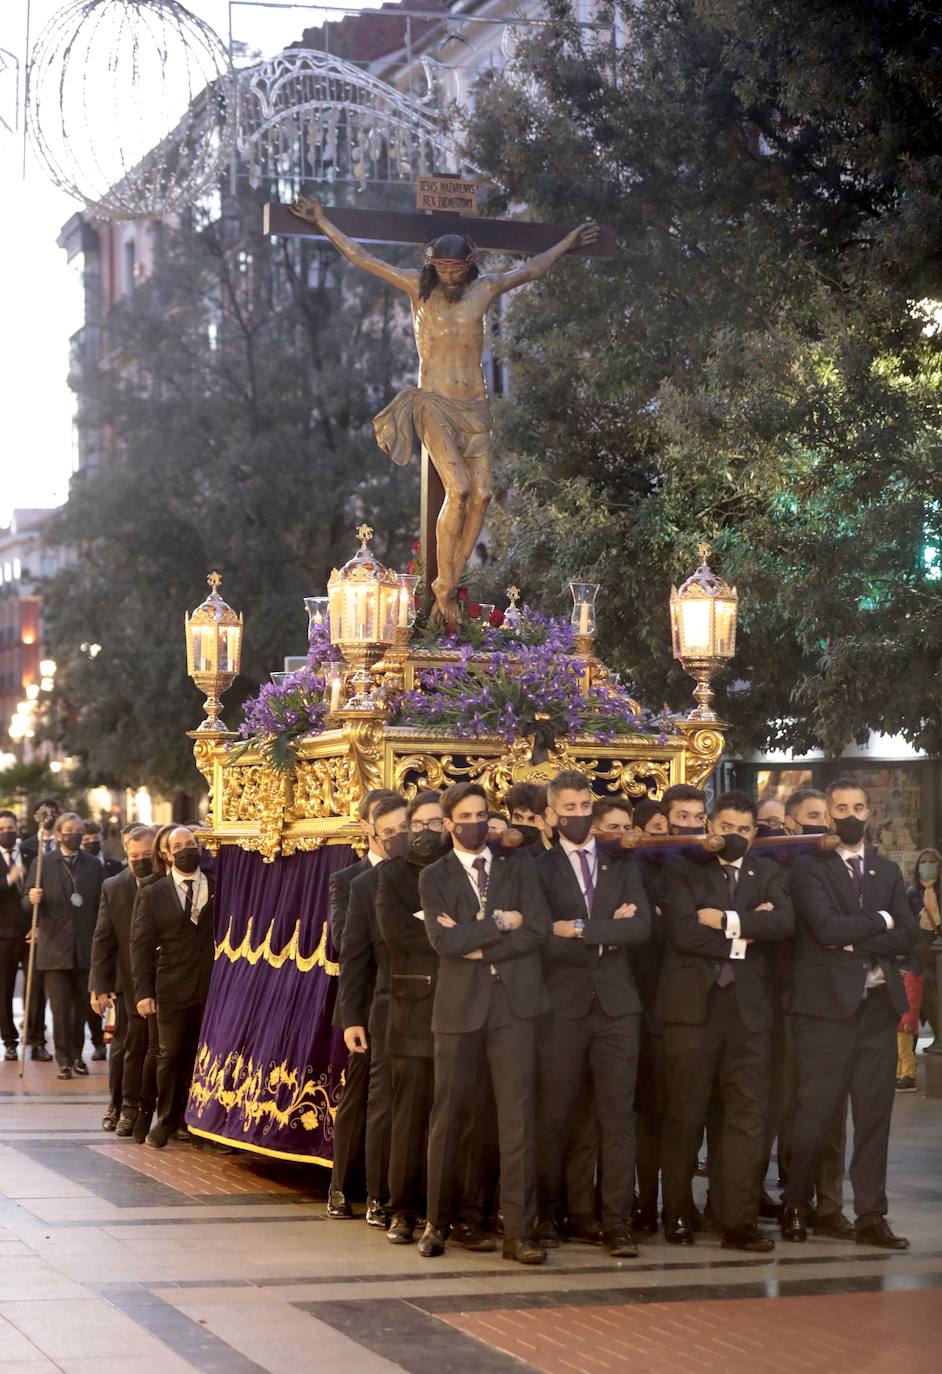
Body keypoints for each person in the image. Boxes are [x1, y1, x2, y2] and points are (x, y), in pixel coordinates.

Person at [290, 196, 598, 623]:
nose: (449, 276)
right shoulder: (418, 290)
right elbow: (363, 257)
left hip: (475, 405)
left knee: (484, 494)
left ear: (469, 265)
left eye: (456, 270)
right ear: (431, 265)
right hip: (433, 402)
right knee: (459, 489)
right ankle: (443, 588)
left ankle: (448, 587)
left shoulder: (485, 289)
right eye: (442, 269)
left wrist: (565, 243)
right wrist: (322, 221)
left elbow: (530, 269)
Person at [418, 782, 550, 1264]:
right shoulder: (434, 876)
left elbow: (536, 929)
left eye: (482, 814)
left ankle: (519, 1232)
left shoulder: (519, 867)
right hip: (458, 1009)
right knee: (448, 1117)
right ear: (449, 823)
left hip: (513, 1005)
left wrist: (477, 940)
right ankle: (437, 1223)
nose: (476, 823)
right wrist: (498, 923)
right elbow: (443, 941)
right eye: (466, 816)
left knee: (516, 1118)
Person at [658, 790, 794, 1252]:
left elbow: (784, 924)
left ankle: (736, 1220)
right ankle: (676, 1212)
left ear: (754, 834)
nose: (733, 836)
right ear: (710, 828)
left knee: (745, 1118)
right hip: (691, 1010)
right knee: (685, 1115)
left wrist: (728, 922)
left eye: (743, 829)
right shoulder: (682, 868)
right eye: (725, 828)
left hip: (748, 1012)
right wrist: (750, 927)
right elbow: (682, 931)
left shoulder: (767, 871)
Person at [782, 779, 915, 1249]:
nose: (851, 815)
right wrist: (881, 922)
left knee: (875, 1117)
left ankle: (871, 1216)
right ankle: (797, 1205)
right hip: (825, 1012)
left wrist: (854, 938)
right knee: (816, 1115)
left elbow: (908, 935)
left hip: (878, 1009)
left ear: (869, 812)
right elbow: (825, 929)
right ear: (828, 816)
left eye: (859, 806)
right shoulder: (809, 869)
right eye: (841, 808)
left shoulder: (887, 872)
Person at [535, 771, 651, 1258]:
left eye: (585, 806)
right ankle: (547, 1214)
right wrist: (603, 929)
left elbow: (641, 927)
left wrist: (577, 929)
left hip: (617, 1007)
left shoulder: (621, 864)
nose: (579, 815)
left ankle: (617, 1221)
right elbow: (538, 936)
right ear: (549, 816)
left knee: (617, 1116)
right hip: (562, 1008)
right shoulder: (537, 869)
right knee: (556, 1113)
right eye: (569, 808)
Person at [376, 790, 448, 1244]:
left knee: (453, 1116)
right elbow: (397, 933)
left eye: (435, 824)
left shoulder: (462, 871)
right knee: (409, 1115)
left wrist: (438, 924)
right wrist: (446, 929)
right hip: (412, 1008)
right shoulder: (392, 876)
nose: (425, 832)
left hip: (463, 1006)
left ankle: (445, 1211)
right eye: (417, 825)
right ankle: (401, 1208)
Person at [326, 788, 401, 1219]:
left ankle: (389, 1188)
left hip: (407, 1001)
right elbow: (342, 940)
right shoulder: (348, 879)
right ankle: (340, 1186)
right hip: (368, 1003)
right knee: (360, 1098)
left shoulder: (417, 872)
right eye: (385, 827)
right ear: (367, 828)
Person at [130, 826, 214, 1148]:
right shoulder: (153, 893)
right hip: (170, 987)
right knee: (169, 1054)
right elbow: (140, 946)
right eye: (178, 846)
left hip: (208, 987)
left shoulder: (218, 887)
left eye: (191, 844)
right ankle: (164, 1120)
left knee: (198, 1056)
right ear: (166, 854)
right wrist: (143, 992)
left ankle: (191, 1121)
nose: (186, 849)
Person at [24, 812, 104, 1079]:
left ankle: (77, 1056)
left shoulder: (93, 865)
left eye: (78, 830)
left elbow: (100, 905)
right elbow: (26, 903)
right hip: (53, 948)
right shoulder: (42, 863)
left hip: (84, 946)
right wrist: (32, 898)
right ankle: (64, 1061)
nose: (75, 834)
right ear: (58, 834)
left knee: (81, 1008)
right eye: (69, 830)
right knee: (59, 1009)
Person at [89, 827, 157, 1136]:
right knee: (125, 1047)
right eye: (135, 856)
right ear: (125, 855)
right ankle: (118, 1106)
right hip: (127, 982)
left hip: (164, 979)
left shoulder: (166, 882)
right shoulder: (113, 886)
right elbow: (103, 939)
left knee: (152, 1049)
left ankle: (149, 1109)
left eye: (147, 855)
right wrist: (99, 986)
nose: (141, 861)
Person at [626, 799, 672, 1232]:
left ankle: (660, 1202)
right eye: (655, 828)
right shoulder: (630, 870)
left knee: (661, 1111)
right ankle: (635, 1198)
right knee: (636, 1112)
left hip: (666, 1007)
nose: (664, 836)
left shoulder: (672, 871)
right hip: (634, 1005)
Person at [0, 811, 29, 1062]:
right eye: (1, 828)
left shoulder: (30, 855)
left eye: (10, 827)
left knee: (36, 991)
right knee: (5, 990)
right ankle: (9, 1040)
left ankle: (36, 1038)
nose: (6, 831)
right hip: (4, 936)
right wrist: (8, 880)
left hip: (32, 934)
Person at [908, 848, 940, 1045]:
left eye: (932, 861)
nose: (927, 865)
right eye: (924, 861)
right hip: (921, 949)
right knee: (926, 997)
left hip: (939, 945)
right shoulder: (911, 893)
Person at [20, 797, 60, 866]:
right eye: (44, 813)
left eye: (52, 812)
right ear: (36, 817)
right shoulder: (25, 847)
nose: (48, 816)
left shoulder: (64, 844)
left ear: (57, 816)